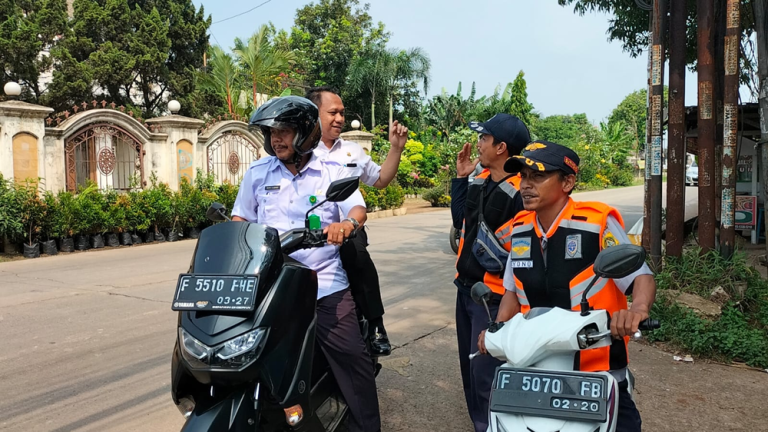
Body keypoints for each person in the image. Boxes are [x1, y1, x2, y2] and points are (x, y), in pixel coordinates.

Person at [478, 140, 657, 432]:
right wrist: (496, 331)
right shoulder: (520, 229)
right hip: (534, 366)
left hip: (596, 370)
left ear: (568, 182)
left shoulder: (596, 223)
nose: (526, 185)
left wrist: (636, 310)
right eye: (523, 176)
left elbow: (641, 276)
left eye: (537, 176)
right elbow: (512, 293)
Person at [231, 96, 380, 432]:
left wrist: (347, 226)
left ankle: (365, 425)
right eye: (271, 132)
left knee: (351, 359)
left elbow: (357, 209)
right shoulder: (257, 173)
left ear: (305, 133)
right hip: (272, 284)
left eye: (284, 130)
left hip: (322, 282)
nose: (276, 139)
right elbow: (241, 217)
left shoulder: (330, 171)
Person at [306, 86, 409, 356]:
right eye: (333, 113)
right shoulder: (300, 151)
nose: (339, 118)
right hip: (306, 230)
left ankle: (376, 325)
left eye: (342, 113)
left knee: (357, 256)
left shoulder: (352, 151)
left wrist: (396, 149)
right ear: (313, 115)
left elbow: (381, 180)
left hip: (348, 228)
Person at [450, 113, 531, 432]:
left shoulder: (521, 192)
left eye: (484, 139)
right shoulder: (479, 180)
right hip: (465, 289)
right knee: (470, 370)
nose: (478, 144)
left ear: (501, 147)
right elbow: (461, 220)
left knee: (487, 373)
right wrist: (460, 177)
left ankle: (492, 426)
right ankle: (479, 424)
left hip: (493, 298)